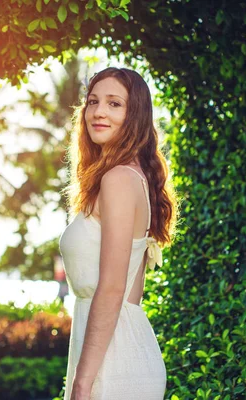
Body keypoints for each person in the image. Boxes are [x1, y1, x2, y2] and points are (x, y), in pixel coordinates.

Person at [59, 67, 179, 400]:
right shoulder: (127, 177)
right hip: (119, 351)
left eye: (114, 104)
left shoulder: (119, 180)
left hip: (114, 364)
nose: (98, 111)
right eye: (93, 101)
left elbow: (113, 288)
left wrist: (82, 385)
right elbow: (132, 292)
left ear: (135, 115)